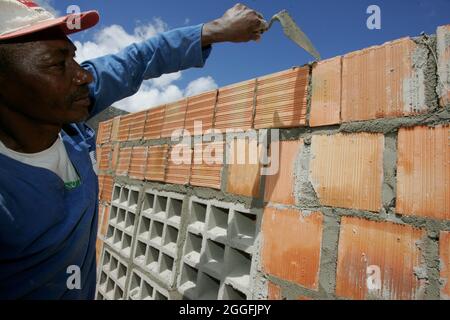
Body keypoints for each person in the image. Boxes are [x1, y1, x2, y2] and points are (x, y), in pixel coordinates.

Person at [0, 0, 267, 300]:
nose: (83, 76)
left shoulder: (66, 111)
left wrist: (216, 30)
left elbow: (137, 59)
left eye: (73, 58)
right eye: (55, 64)